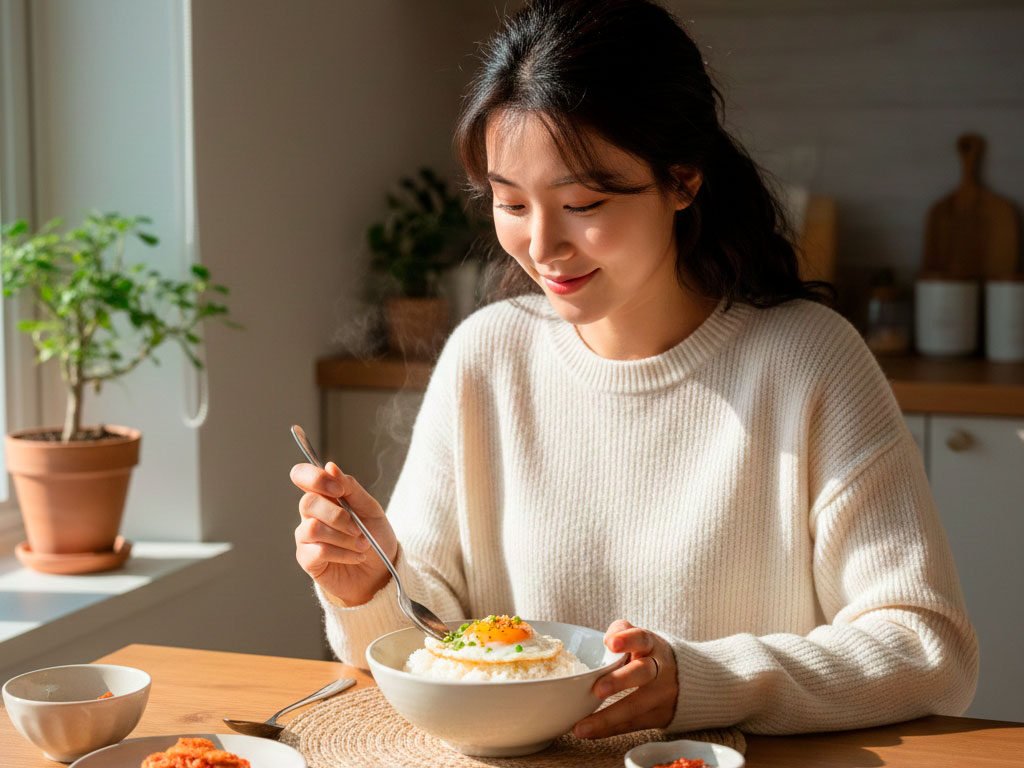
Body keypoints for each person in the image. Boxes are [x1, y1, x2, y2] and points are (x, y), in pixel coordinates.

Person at [290, 0, 978, 739]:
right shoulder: (486, 355)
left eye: (582, 203)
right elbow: (432, 638)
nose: (542, 246)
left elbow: (928, 648)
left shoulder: (809, 362)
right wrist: (371, 586)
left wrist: (707, 681)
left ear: (683, 179)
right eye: (510, 203)